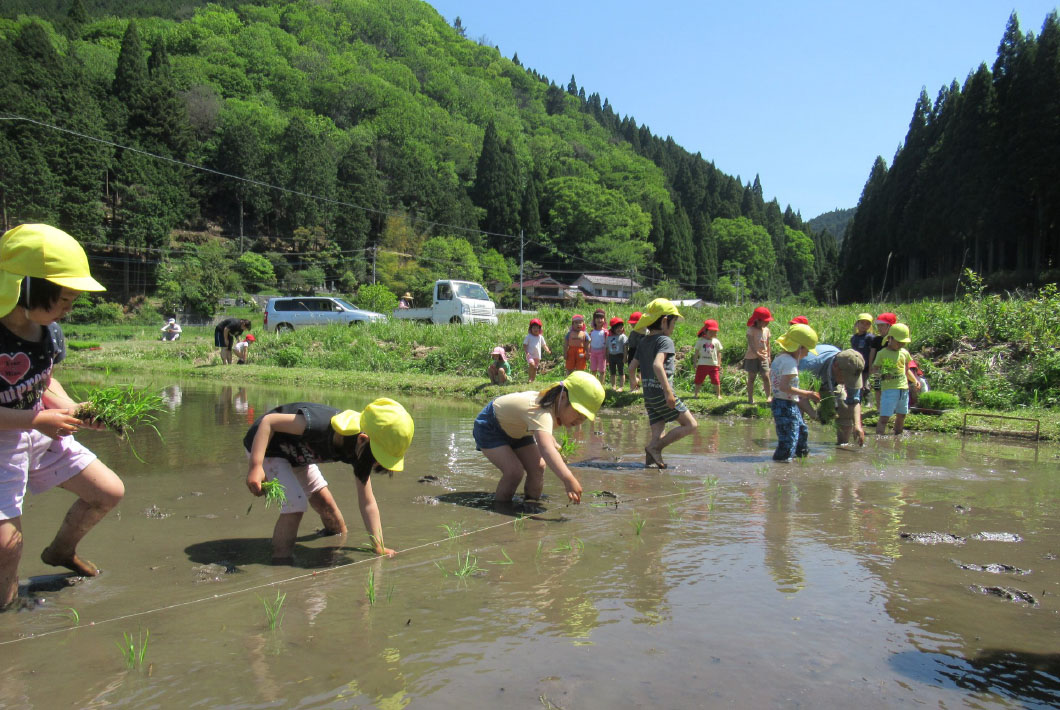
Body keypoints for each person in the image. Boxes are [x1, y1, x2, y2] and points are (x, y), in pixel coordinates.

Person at [0, 224, 125, 610]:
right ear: (28, 287)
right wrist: (36, 421)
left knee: (107, 492)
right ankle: (8, 615)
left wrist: (73, 410)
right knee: (6, 547)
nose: (69, 308)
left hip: (38, 429)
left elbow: (44, 379)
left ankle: (60, 551)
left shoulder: (50, 333)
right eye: (64, 298)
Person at [244, 398, 414, 562]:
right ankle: (281, 562)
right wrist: (256, 466)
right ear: (362, 439)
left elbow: (367, 502)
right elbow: (269, 422)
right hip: (267, 446)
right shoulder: (319, 424)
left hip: (299, 455)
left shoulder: (360, 450)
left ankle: (333, 541)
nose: (376, 464)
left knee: (328, 508)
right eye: (377, 457)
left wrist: (379, 546)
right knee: (296, 505)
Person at [473, 371, 604, 505]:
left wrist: (552, 440)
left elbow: (542, 431)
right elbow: (545, 448)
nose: (579, 420)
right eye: (578, 413)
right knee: (514, 471)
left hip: (518, 430)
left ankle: (531, 504)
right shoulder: (542, 411)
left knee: (538, 467)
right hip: (490, 427)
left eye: (584, 418)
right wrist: (568, 478)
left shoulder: (555, 408)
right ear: (562, 397)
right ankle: (500, 509)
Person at [630, 299, 697, 469]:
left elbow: (631, 367)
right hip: (661, 393)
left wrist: (634, 380)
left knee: (657, 432)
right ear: (665, 321)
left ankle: (651, 464)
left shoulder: (643, 341)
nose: (674, 327)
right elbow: (657, 365)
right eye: (673, 322)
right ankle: (656, 447)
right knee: (690, 425)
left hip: (649, 395)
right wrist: (668, 392)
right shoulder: (665, 341)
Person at [795, 344, 867, 445]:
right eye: (846, 378)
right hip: (802, 383)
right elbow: (797, 395)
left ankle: (843, 446)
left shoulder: (851, 367)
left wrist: (857, 425)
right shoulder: (810, 364)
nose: (847, 382)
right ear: (836, 366)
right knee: (796, 414)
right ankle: (797, 446)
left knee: (844, 406)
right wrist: (813, 414)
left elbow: (854, 401)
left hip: (830, 382)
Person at [769, 323, 821, 461]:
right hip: (785, 404)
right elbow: (784, 387)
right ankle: (782, 465)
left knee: (802, 431)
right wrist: (807, 394)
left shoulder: (780, 357)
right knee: (788, 439)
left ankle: (802, 456)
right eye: (807, 349)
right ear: (799, 348)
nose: (808, 353)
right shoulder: (789, 362)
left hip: (785, 403)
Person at [873, 323, 919, 435]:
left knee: (902, 415)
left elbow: (906, 370)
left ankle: (898, 435)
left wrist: (915, 380)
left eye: (903, 343)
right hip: (889, 389)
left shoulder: (904, 353)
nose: (901, 344)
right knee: (884, 417)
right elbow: (875, 370)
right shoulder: (882, 353)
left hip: (903, 389)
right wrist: (883, 376)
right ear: (890, 338)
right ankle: (879, 439)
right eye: (899, 342)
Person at [744, 306, 773, 404]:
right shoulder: (751, 330)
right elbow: (751, 344)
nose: (767, 323)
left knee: (766, 376)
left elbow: (768, 344)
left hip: (764, 357)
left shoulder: (767, 330)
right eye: (765, 321)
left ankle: (769, 396)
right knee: (751, 377)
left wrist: (768, 356)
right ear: (758, 320)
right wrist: (757, 354)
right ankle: (750, 398)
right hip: (752, 357)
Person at [868, 312, 897, 409]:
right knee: (877, 387)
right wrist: (870, 366)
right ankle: (879, 408)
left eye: (882, 325)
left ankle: (891, 407)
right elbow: (872, 353)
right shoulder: (876, 340)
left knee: (889, 388)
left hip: (890, 368)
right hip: (878, 367)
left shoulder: (894, 340)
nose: (879, 328)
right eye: (878, 326)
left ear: (890, 326)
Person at [693, 319, 723, 398]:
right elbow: (696, 352)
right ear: (705, 331)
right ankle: (696, 393)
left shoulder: (716, 341)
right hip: (702, 364)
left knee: (716, 380)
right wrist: (695, 362)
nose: (712, 334)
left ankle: (718, 395)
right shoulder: (700, 341)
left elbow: (719, 352)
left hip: (713, 365)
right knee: (699, 380)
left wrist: (719, 363)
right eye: (710, 332)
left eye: (714, 332)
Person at [850, 313, 874, 402]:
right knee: (857, 383)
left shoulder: (870, 337)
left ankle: (869, 401)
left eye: (867, 324)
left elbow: (873, 351)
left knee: (866, 383)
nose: (864, 325)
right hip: (856, 364)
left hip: (866, 364)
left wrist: (871, 365)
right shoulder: (854, 338)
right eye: (862, 323)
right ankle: (858, 399)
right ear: (857, 324)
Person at [522, 318, 550, 384]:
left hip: (537, 356)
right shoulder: (529, 336)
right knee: (532, 364)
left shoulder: (540, 337)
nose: (535, 329)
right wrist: (526, 352)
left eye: (537, 328)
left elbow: (544, 345)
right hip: (530, 355)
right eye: (534, 328)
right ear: (530, 329)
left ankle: (533, 379)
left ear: (540, 329)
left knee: (535, 368)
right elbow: (524, 344)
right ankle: (530, 378)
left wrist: (547, 350)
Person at [605, 317, 627, 391]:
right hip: (611, 356)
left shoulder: (623, 337)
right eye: (617, 328)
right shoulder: (609, 337)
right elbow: (607, 348)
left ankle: (621, 386)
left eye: (621, 328)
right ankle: (613, 386)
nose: (620, 329)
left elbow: (625, 347)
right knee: (612, 372)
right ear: (613, 328)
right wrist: (607, 358)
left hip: (620, 355)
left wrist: (625, 357)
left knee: (621, 371)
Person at [588, 309, 608, 383]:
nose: (599, 320)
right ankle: (594, 384)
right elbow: (589, 343)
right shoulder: (591, 332)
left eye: (601, 318)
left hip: (602, 353)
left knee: (602, 370)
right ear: (594, 320)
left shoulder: (605, 332)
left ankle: (601, 384)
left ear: (604, 320)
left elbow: (606, 344)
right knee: (593, 369)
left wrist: (606, 354)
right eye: (597, 318)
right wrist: (588, 352)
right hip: (593, 353)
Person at [625, 311, 643, 391]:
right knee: (631, 369)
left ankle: (637, 386)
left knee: (640, 370)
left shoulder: (645, 333)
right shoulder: (632, 333)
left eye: (635, 323)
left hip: (640, 352)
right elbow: (627, 343)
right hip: (632, 352)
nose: (632, 325)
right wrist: (625, 355)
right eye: (632, 324)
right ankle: (633, 386)